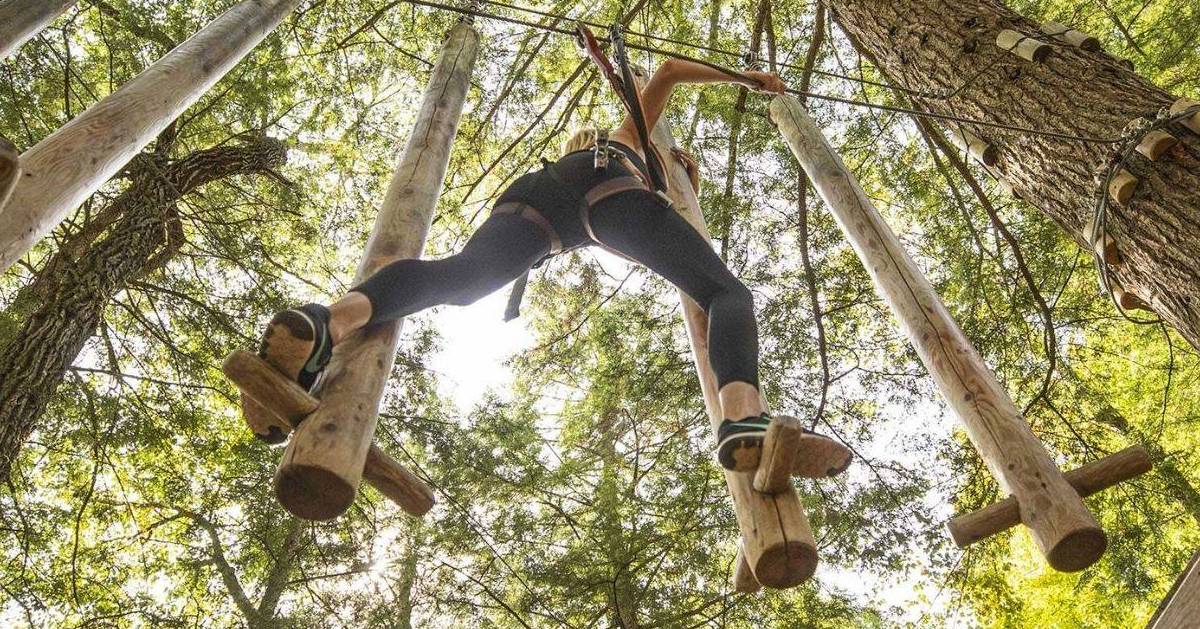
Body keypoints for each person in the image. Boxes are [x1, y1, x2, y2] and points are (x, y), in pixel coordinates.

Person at [249, 58, 851, 477]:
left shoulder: (584, 158)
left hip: (534, 204)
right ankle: (742, 418)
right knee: (725, 292)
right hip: (603, 198)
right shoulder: (628, 149)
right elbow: (666, 74)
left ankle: (325, 321)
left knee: (458, 281)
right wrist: (743, 78)